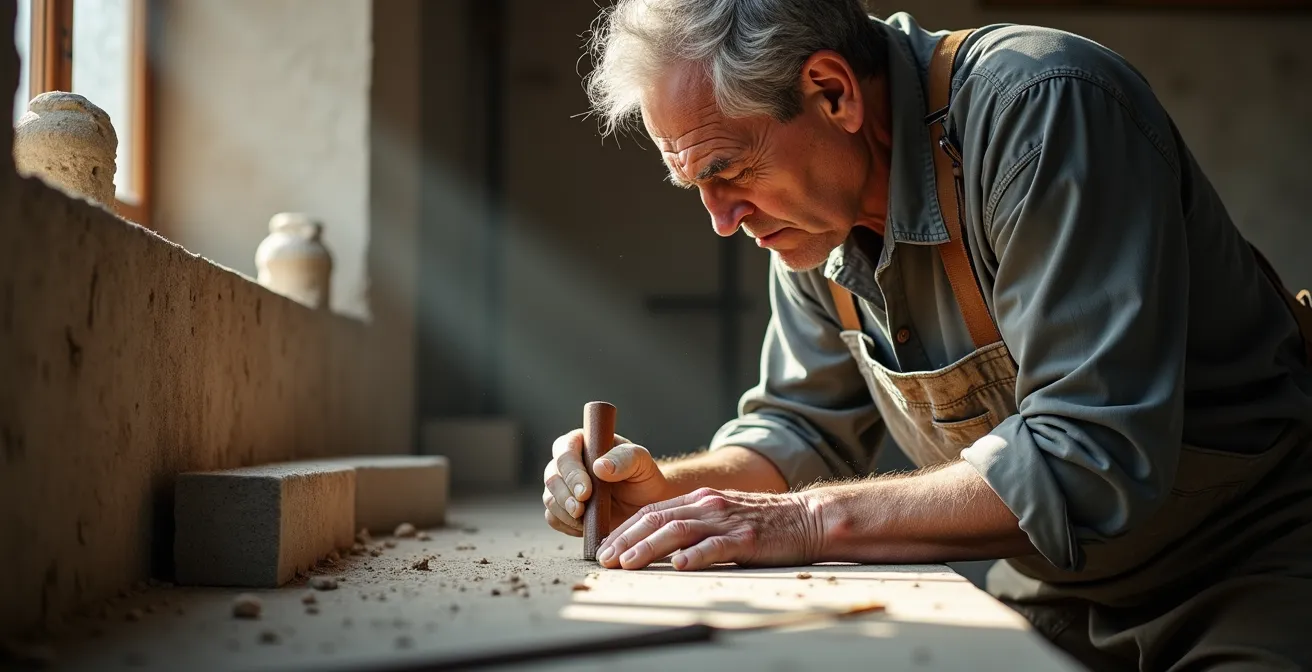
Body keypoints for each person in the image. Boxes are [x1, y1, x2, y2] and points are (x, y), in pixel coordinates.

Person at [540, 0, 1312, 668]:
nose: (721, 218)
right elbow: (800, 430)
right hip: (1058, 587)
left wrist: (804, 522)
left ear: (831, 91)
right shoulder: (814, 221)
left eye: (727, 169)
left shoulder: (1042, 109)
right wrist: (665, 492)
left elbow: (1090, 453)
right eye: (695, 184)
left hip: (1252, 557)